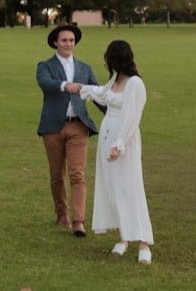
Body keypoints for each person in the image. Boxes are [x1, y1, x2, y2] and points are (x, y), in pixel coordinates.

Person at [80, 40, 154, 264]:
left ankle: (143, 242)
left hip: (124, 141)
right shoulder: (115, 79)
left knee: (130, 188)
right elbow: (103, 95)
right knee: (112, 188)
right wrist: (83, 89)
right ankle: (124, 238)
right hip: (106, 136)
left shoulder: (135, 84)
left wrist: (119, 145)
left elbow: (131, 119)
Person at [36, 23, 104, 238]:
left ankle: (78, 221)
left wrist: (115, 113)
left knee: (77, 174)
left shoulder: (84, 68)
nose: (68, 44)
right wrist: (66, 85)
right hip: (53, 127)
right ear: (56, 42)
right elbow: (45, 83)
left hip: (78, 126)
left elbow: (97, 94)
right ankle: (62, 213)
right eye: (64, 40)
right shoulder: (45, 65)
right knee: (57, 174)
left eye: (72, 41)